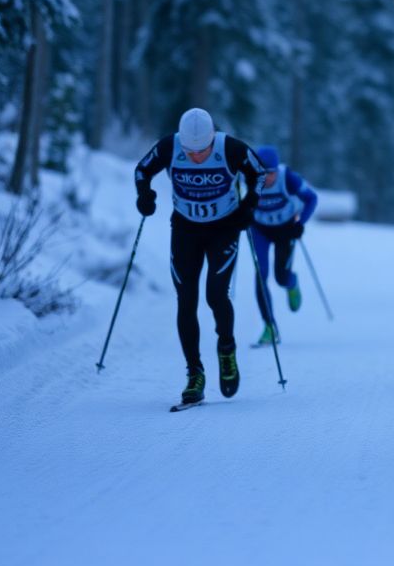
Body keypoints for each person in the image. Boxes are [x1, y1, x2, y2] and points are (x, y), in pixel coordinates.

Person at [134, 107, 266, 407]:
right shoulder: (170, 146)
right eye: (190, 151)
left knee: (216, 296)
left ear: (212, 140)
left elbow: (259, 173)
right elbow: (142, 170)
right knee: (186, 299)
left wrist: (249, 205)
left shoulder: (230, 148)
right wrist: (144, 195)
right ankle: (195, 374)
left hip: (224, 228)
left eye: (202, 151)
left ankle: (226, 349)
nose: (195, 156)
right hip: (185, 230)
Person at [250, 145, 318, 346]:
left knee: (281, 277)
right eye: (261, 174)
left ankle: (292, 283)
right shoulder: (250, 176)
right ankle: (270, 327)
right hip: (259, 230)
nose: (266, 179)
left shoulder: (288, 177)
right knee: (261, 275)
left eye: (270, 173)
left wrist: (300, 224)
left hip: (285, 230)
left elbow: (312, 198)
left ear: (276, 170)